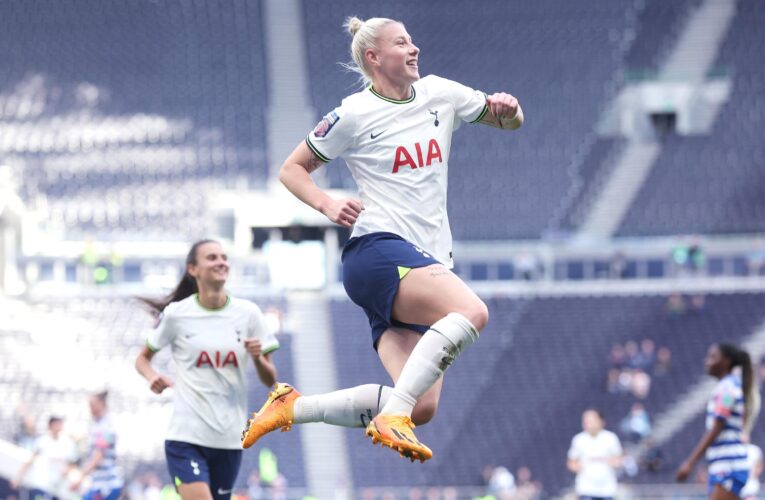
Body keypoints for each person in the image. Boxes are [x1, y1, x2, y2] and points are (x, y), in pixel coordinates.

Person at [241, 15, 523, 463]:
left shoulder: (440, 93)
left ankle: (293, 406)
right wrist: (327, 204)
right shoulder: (352, 114)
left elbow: (507, 122)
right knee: (471, 310)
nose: (414, 49)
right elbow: (291, 169)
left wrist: (510, 109)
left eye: (412, 40)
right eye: (401, 42)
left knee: (420, 406)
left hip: (421, 261)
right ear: (374, 57)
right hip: (378, 250)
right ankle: (391, 417)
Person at [135, 239, 279, 500]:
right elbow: (142, 359)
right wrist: (152, 376)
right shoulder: (177, 314)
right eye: (212, 257)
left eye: (224, 257)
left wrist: (258, 358)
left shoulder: (249, 314)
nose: (221, 262)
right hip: (186, 437)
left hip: (229, 439)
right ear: (193, 269)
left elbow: (270, 378)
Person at [676, 343, 757, 499]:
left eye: (713, 357)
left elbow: (716, 428)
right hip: (724, 465)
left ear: (726, 361)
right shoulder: (727, 386)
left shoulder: (727, 390)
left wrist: (690, 463)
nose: (707, 361)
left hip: (729, 466)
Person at [69, 391, 124, 500]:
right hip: (99, 483)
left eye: (92, 404)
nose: (90, 408)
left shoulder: (107, 426)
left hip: (108, 484)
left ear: (102, 403)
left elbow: (98, 456)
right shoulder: (97, 425)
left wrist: (79, 478)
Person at [11, 416, 78, 500]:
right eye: (56, 424)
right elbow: (30, 460)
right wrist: (18, 477)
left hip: (57, 488)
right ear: (50, 425)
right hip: (41, 484)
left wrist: (67, 471)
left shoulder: (67, 443)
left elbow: (73, 463)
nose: (58, 427)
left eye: (60, 424)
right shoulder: (42, 441)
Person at [567, 409, 624, 500]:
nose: (588, 424)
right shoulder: (579, 440)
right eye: (586, 421)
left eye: (591, 421)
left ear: (601, 421)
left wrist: (613, 462)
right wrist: (577, 467)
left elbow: (619, 459)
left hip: (607, 489)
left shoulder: (610, 438)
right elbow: (571, 462)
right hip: (586, 488)